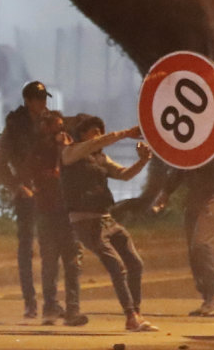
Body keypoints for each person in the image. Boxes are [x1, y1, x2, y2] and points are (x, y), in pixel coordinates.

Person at [61, 115, 157, 332]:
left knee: (135, 263)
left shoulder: (100, 158)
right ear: (81, 134)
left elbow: (123, 174)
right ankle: (130, 316)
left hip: (106, 219)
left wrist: (143, 161)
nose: (98, 135)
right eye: (93, 131)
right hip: (85, 221)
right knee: (116, 266)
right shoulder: (70, 153)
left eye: (100, 130)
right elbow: (99, 142)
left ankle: (136, 314)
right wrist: (126, 133)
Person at [0, 80, 53, 318]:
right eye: (38, 99)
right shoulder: (15, 126)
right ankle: (30, 301)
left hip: (50, 192)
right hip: (26, 192)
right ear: (28, 101)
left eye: (44, 98)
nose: (42, 103)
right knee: (27, 248)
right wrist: (18, 187)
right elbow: (0, 166)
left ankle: (51, 302)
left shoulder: (52, 122)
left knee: (51, 247)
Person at [152, 145, 214, 317]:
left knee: (200, 243)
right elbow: (181, 167)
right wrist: (166, 192)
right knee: (193, 249)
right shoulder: (191, 143)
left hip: (213, 196)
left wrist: (200, 153)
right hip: (194, 197)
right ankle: (207, 298)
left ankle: (213, 296)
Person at [34, 111, 89, 327]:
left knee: (72, 262)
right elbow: (36, 174)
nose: (59, 132)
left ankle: (72, 309)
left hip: (68, 213)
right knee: (50, 261)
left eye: (61, 127)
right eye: (55, 127)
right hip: (48, 211)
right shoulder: (40, 150)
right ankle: (50, 306)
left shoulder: (71, 149)